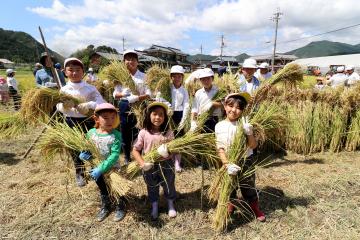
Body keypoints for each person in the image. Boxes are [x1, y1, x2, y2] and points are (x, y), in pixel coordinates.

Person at [215, 92, 266, 222]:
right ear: (225, 106)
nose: (234, 110)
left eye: (238, 108)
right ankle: (230, 204)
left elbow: (253, 146)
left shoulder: (245, 124)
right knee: (229, 187)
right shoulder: (219, 125)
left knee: (248, 186)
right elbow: (220, 148)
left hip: (245, 160)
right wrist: (226, 164)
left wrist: (249, 132)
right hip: (228, 162)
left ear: (242, 110)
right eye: (231, 106)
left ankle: (254, 206)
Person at [56, 57, 105, 187]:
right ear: (65, 72)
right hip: (71, 121)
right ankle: (80, 172)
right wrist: (64, 106)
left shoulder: (90, 88)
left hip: (88, 121)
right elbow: (58, 107)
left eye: (78, 70)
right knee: (74, 148)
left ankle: (96, 169)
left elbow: (102, 103)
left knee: (92, 147)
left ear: (83, 71)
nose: (74, 73)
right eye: (70, 70)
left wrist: (90, 104)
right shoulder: (64, 90)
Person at [79, 103, 126, 222]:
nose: (110, 121)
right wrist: (85, 154)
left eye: (113, 117)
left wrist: (102, 168)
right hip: (96, 169)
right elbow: (87, 147)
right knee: (102, 188)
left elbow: (115, 155)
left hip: (112, 169)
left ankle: (120, 206)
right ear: (96, 119)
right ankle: (106, 206)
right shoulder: (91, 133)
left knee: (116, 187)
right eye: (105, 117)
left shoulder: (116, 135)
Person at [132, 102, 176, 220]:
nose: (157, 117)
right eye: (154, 114)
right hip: (149, 165)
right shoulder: (144, 132)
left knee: (169, 184)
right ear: (149, 116)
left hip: (166, 163)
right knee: (152, 185)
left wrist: (169, 153)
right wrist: (142, 163)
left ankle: (170, 204)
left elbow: (175, 149)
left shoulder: (168, 132)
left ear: (165, 117)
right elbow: (135, 150)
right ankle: (154, 206)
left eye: (161, 114)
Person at [113, 50, 151, 165]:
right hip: (124, 106)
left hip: (140, 106)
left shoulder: (144, 76)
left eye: (133, 59)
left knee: (139, 131)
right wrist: (123, 94)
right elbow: (115, 94)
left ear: (137, 62)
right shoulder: (119, 76)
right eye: (128, 59)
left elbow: (149, 94)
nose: (130, 62)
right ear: (124, 61)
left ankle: (138, 155)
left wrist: (137, 98)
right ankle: (126, 157)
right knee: (125, 132)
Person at [170, 65, 190, 172]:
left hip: (179, 115)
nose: (177, 78)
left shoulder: (184, 90)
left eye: (179, 76)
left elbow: (186, 105)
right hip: (168, 115)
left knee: (178, 139)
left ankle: (177, 162)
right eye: (174, 76)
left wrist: (183, 119)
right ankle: (169, 159)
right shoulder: (166, 88)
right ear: (171, 77)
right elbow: (160, 98)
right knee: (168, 137)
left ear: (182, 77)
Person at [191, 68, 222, 133]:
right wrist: (193, 122)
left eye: (208, 79)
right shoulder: (198, 93)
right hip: (201, 119)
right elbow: (195, 108)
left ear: (212, 79)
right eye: (203, 79)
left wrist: (213, 103)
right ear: (200, 80)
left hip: (214, 119)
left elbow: (224, 105)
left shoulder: (218, 91)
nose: (206, 81)